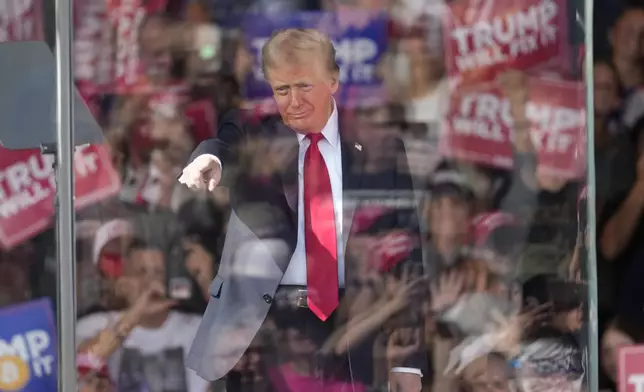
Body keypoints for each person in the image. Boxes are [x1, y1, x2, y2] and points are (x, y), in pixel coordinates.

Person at [178, 28, 425, 391]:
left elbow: (407, 253)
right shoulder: (255, 132)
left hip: (351, 319)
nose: (293, 101)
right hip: (265, 325)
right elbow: (223, 143)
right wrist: (210, 158)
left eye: (304, 86)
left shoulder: (378, 147)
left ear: (333, 80)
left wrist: (408, 365)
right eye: (282, 90)